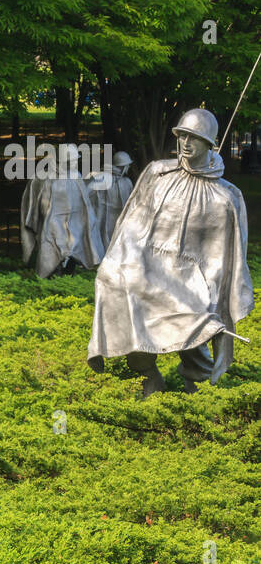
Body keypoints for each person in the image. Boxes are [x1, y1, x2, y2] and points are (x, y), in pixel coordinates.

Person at [88, 109, 253, 397]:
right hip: (149, 267)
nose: (186, 143)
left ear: (210, 144)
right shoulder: (157, 174)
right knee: (118, 285)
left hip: (194, 280)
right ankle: (148, 374)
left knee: (199, 314)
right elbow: (131, 224)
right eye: (182, 135)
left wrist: (214, 295)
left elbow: (226, 260)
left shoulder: (226, 197)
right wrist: (122, 263)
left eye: (195, 138)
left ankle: (197, 384)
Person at [20, 143, 105, 277]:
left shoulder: (75, 175)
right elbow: (35, 202)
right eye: (72, 161)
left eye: (76, 160)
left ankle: (68, 277)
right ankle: (53, 277)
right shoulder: (45, 177)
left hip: (74, 223)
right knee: (52, 250)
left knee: (73, 252)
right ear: (62, 161)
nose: (75, 163)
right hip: (53, 223)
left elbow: (84, 201)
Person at [84, 150, 134, 250]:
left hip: (121, 216)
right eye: (127, 165)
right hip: (105, 216)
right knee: (106, 238)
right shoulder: (103, 178)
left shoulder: (126, 182)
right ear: (123, 166)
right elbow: (87, 192)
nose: (128, 168)